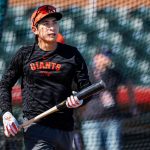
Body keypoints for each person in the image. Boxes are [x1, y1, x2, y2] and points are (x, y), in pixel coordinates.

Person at [0, 5, 91, 150]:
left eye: (54, 22)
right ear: (34, 29)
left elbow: (87, 88)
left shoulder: (72, 54)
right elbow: (4, 85)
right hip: (36, 127)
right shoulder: (24, 54)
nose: (52, 27)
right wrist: (7, 113)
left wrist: (80, 99)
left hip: (65, 129)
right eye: (46, 24)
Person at [79, 49, 138, 150]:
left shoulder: (114, 73)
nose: (108, 58)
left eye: (109, 56)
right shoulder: (87, 73)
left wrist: (133, 106)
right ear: (96, 58)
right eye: (105, 56)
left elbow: (129, 84)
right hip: (92, 121)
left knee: (115, 147)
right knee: (94, 148)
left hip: (112, 119)